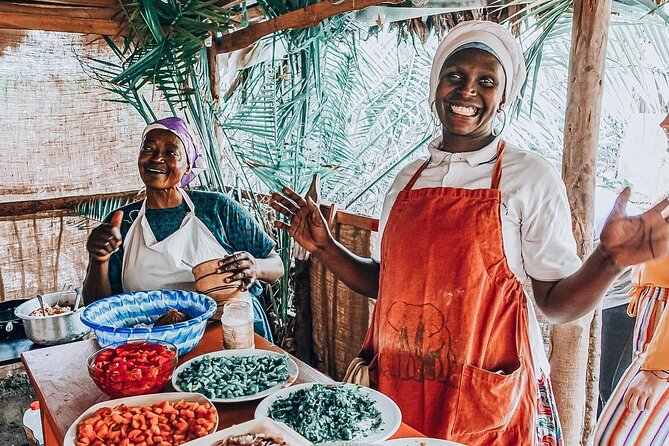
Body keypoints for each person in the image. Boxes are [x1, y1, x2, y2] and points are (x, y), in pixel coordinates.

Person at [270, 20, 669, 445]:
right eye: (455, 76)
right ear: (435, 86)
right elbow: (387, 283)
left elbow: (554, 305)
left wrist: (607, 261)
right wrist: (325, 248)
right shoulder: (407, 180)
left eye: (486, 81)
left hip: (483, 396)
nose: (467, 91)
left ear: (503, 97)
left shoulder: (528, 177)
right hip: (399, 383)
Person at [83, 117, 284, 340]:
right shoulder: (122, 223)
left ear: (188, 165)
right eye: (148, 148)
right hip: (153, 342)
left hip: (230, 334)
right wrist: (98, 260)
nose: (157, 157)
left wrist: (255, 266)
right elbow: (97, 306)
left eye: (171, 152)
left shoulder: (217, 209)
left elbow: (276, 265)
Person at [594, 112, 669, 445]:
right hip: (650, 331)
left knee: (613, 440)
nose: (664, 125)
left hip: (660, 352)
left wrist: (657, 371)